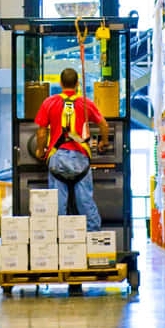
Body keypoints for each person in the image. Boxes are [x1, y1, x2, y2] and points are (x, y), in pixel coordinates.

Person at [34, 66, 109, 231]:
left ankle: (60, 242)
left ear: (60, 83)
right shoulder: (85, 103)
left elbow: (41, 133)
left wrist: (40, 151)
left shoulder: (49, 103)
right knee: (85, 203)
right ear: (77, 84)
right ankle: (93, 241)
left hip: (57, 159)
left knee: (57, 206)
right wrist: (104, 142)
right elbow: (103, 124)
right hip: (80, 159)